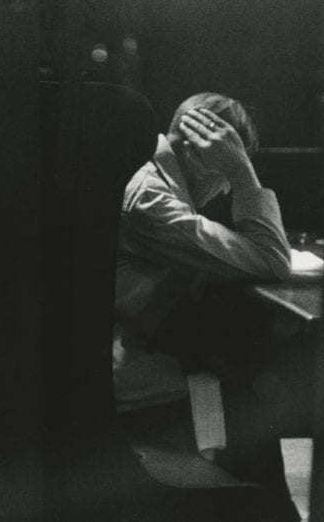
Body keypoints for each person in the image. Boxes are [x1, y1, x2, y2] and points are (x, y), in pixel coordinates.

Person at [113, 92, 308, 522]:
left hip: (144, 340)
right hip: (121, 362)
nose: (222, 189)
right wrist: (243, 174)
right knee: (256, 372)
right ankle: (266, 507)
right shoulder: (151, 201)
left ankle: (264, 503)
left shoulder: (156, 183)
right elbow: (273, 259)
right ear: (198, 151)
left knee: (245, 361)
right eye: (223, 168)